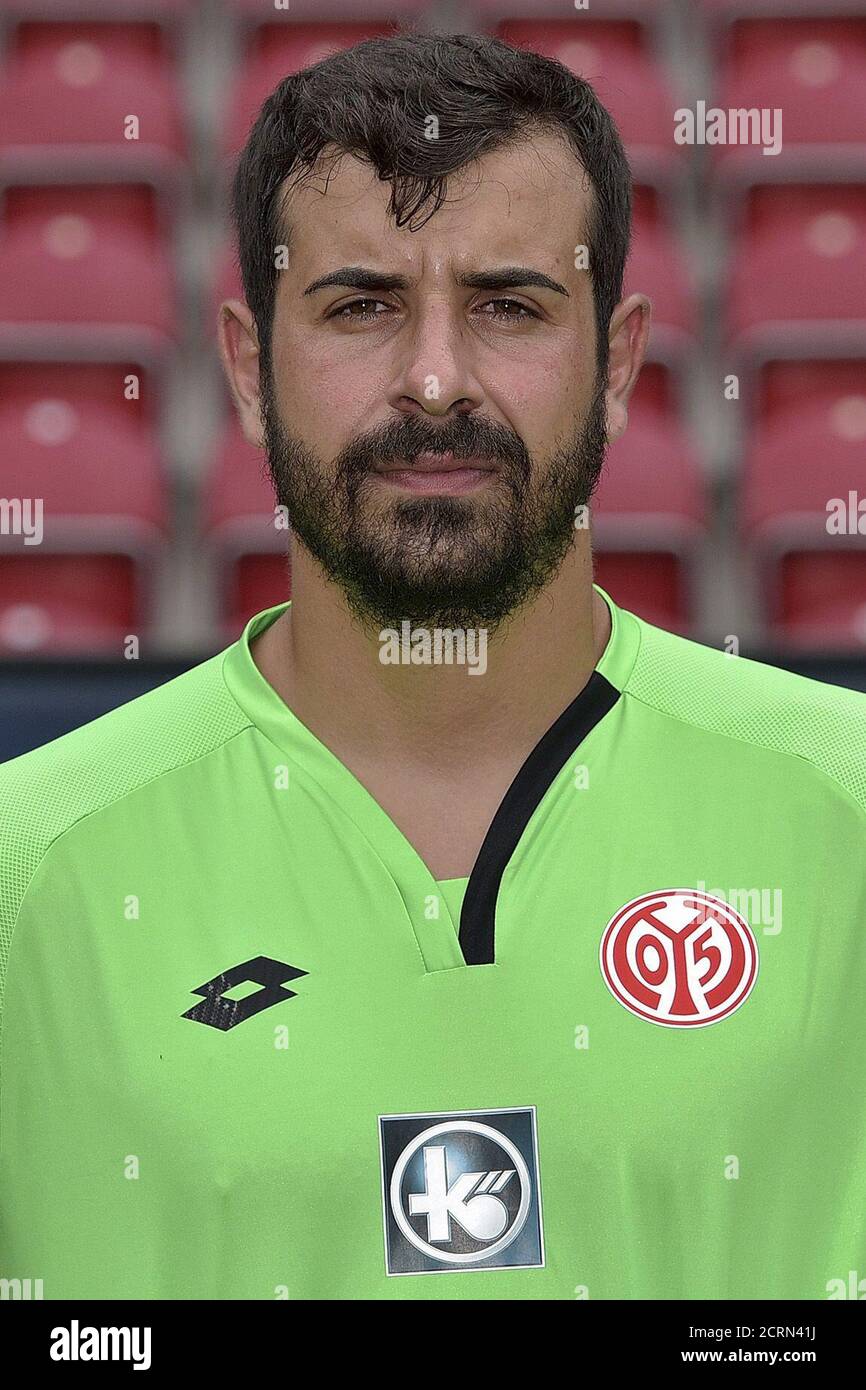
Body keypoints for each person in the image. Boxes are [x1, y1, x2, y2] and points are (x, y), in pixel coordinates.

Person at [1, 31, 865, 1301]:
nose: (432, 379)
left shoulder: (841, 810)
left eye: (507, 304)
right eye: (362, 305)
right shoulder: (33, 868)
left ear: (618, 364)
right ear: (247, 369)